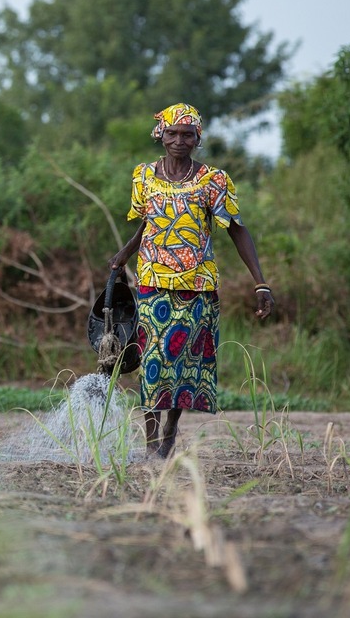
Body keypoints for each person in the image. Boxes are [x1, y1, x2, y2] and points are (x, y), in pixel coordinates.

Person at [108, 103, 274, 458]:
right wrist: (125, 253)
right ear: (160, 135)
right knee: (152, 360)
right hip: (152, 280)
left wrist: (260, 282)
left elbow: (237, 230)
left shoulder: (213, 180)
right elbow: (148, 221)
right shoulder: (143, 177)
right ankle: (152, 441)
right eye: (172, 133)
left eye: (187, 134)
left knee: (182, 362)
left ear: (198, 138)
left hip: (197, 286)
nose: (179, 141)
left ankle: (171, 427)